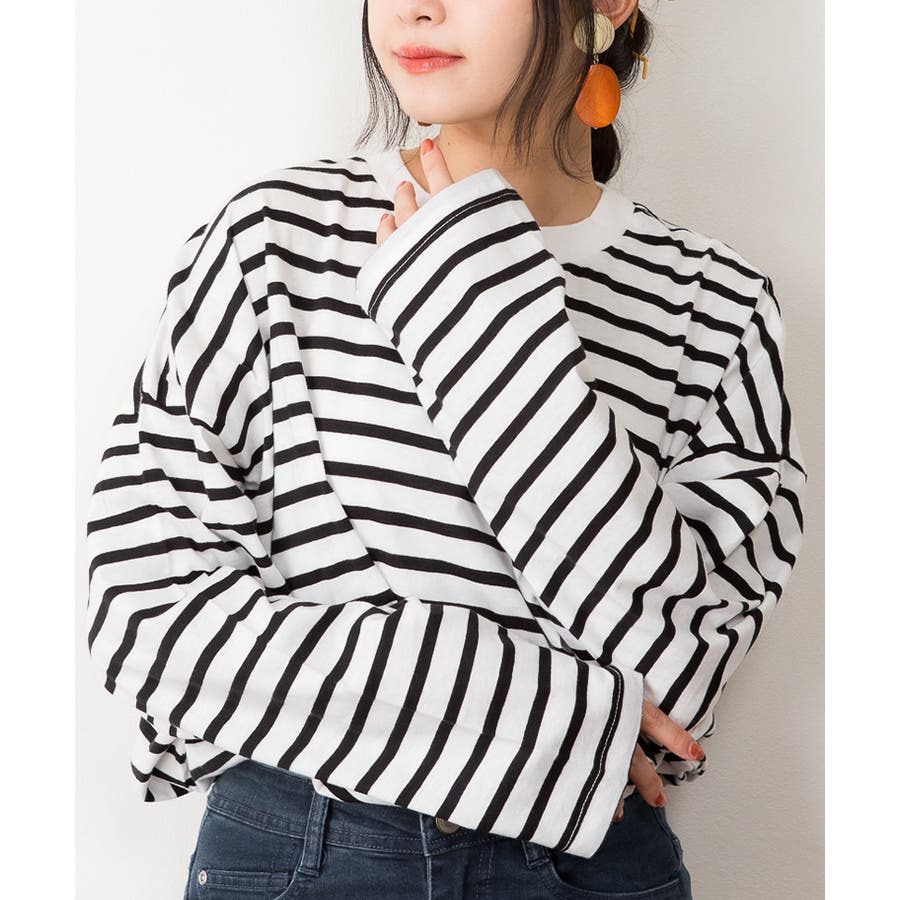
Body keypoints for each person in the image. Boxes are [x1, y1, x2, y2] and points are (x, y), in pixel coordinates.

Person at [83, 2, 807, 898]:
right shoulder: (275, 239)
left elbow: (678, 677)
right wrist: (542, 725)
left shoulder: (713, 304)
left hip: (590, 866)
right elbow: (150, 614)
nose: (416, 6)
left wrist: (474, 311)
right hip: (305, 848)